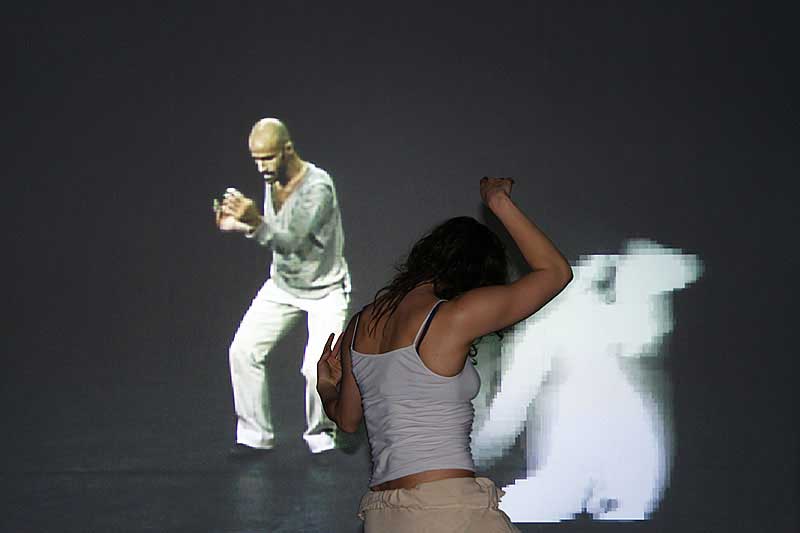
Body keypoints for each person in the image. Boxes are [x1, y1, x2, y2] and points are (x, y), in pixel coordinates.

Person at [316, 177, 572, 531]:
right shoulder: (453, 316)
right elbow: (555, 273)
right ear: (479, 276)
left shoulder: (361, 324)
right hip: (446, 509)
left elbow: (346, 421)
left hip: (385, 516)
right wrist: (498, 201)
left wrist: (326, 386)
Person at [215, 118, 350, 457]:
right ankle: (254, 436)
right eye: (256, 160)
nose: (262, 167)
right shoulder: (272, 178)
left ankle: (322, 436)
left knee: (317, 369)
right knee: (243, 351)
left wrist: (253, 222)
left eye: (268, 158)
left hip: (326, 291)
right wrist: (240, 225)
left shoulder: (318, 187)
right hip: (283, 286)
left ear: (288, 149)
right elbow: (275, 233)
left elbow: (291, 242)